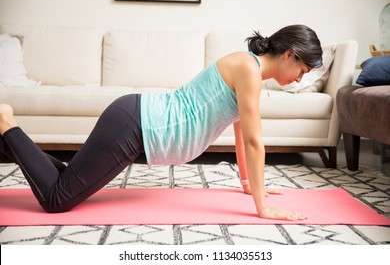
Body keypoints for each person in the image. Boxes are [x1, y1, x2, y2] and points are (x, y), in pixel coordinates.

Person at [0, 24, 322, 221]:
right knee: (56, 200)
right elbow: (255, 142)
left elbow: (241, 136)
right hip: (137, 125)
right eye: (303, 71)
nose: (298, 80)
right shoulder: (249, 70)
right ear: (290, 54)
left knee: (68, 179)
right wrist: (263, 207)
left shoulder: (250, 72)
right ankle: (6, 122)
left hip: (136, 120)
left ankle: (5, 136)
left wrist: (250, 185)